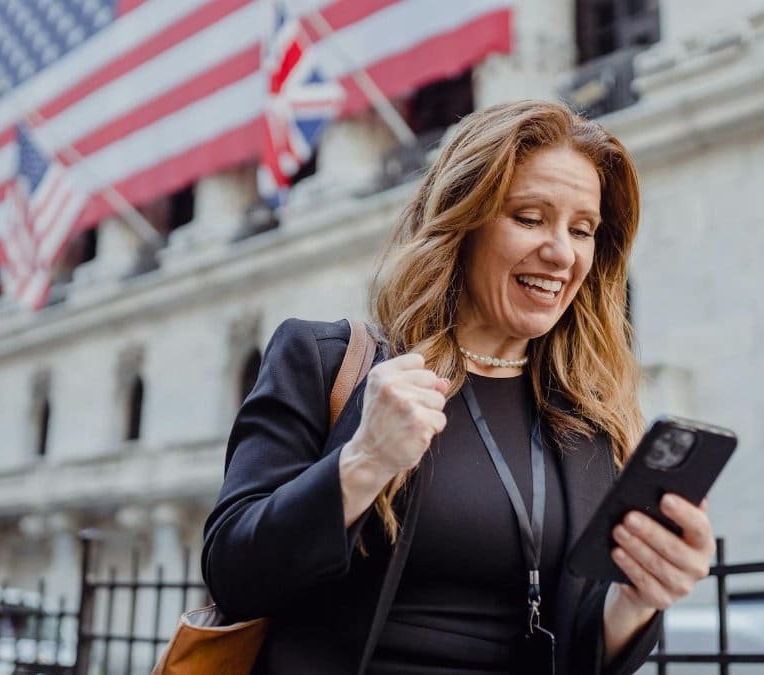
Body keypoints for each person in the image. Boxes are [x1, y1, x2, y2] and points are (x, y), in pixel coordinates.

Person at [203, 100, 715, 674]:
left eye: (582, 229)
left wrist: (639, 598)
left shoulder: (589, 420)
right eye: (528, 217)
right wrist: (363, 461)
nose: (562, 252)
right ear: (462, 221)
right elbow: (233, 573)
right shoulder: (322, 360)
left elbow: (578, 650)